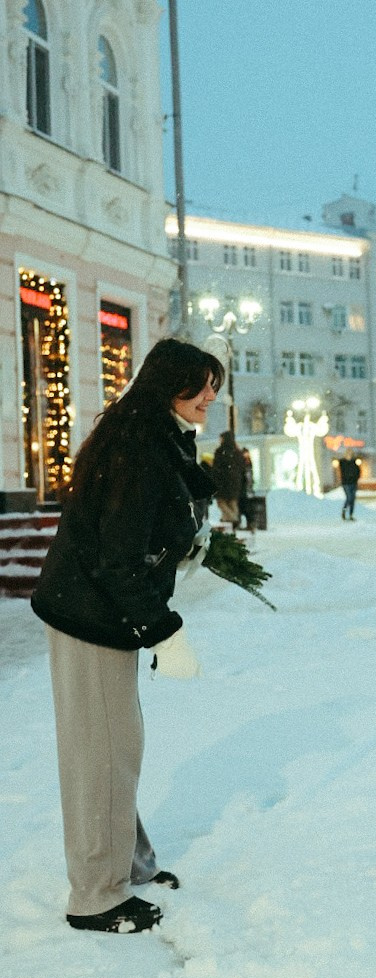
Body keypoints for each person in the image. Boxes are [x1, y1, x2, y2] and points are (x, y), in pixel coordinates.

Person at [32, 339, 222, 933]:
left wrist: (189, 539)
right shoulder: (139, 449)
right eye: (202, 386)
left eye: (215, 385)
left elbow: (165, 509)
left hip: (97, 610)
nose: (212, 397)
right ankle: (96, 895)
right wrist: (164, 631)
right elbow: (119, 559)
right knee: (102, 752)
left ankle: (128, 865)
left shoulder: (155, 436)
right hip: (92, 613)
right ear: (172, 386)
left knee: (117, 744)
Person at [211, 429, 246, 528]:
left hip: (223, 482)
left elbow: (216, 468)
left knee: (221, 502)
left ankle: (232, 518)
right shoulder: (237, 452)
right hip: (235, 482)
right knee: (233, 502)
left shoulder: (220, 451)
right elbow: (242, 467)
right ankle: (231, 520)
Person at [338, 453, 362, 520]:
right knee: (349, 498)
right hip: (346, 483)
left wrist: (356, 478)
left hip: (353, 483)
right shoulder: (343, 463)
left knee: (352, 499)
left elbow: (358, 472)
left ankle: (351, 514)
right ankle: (344, 510)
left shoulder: (354, 463)